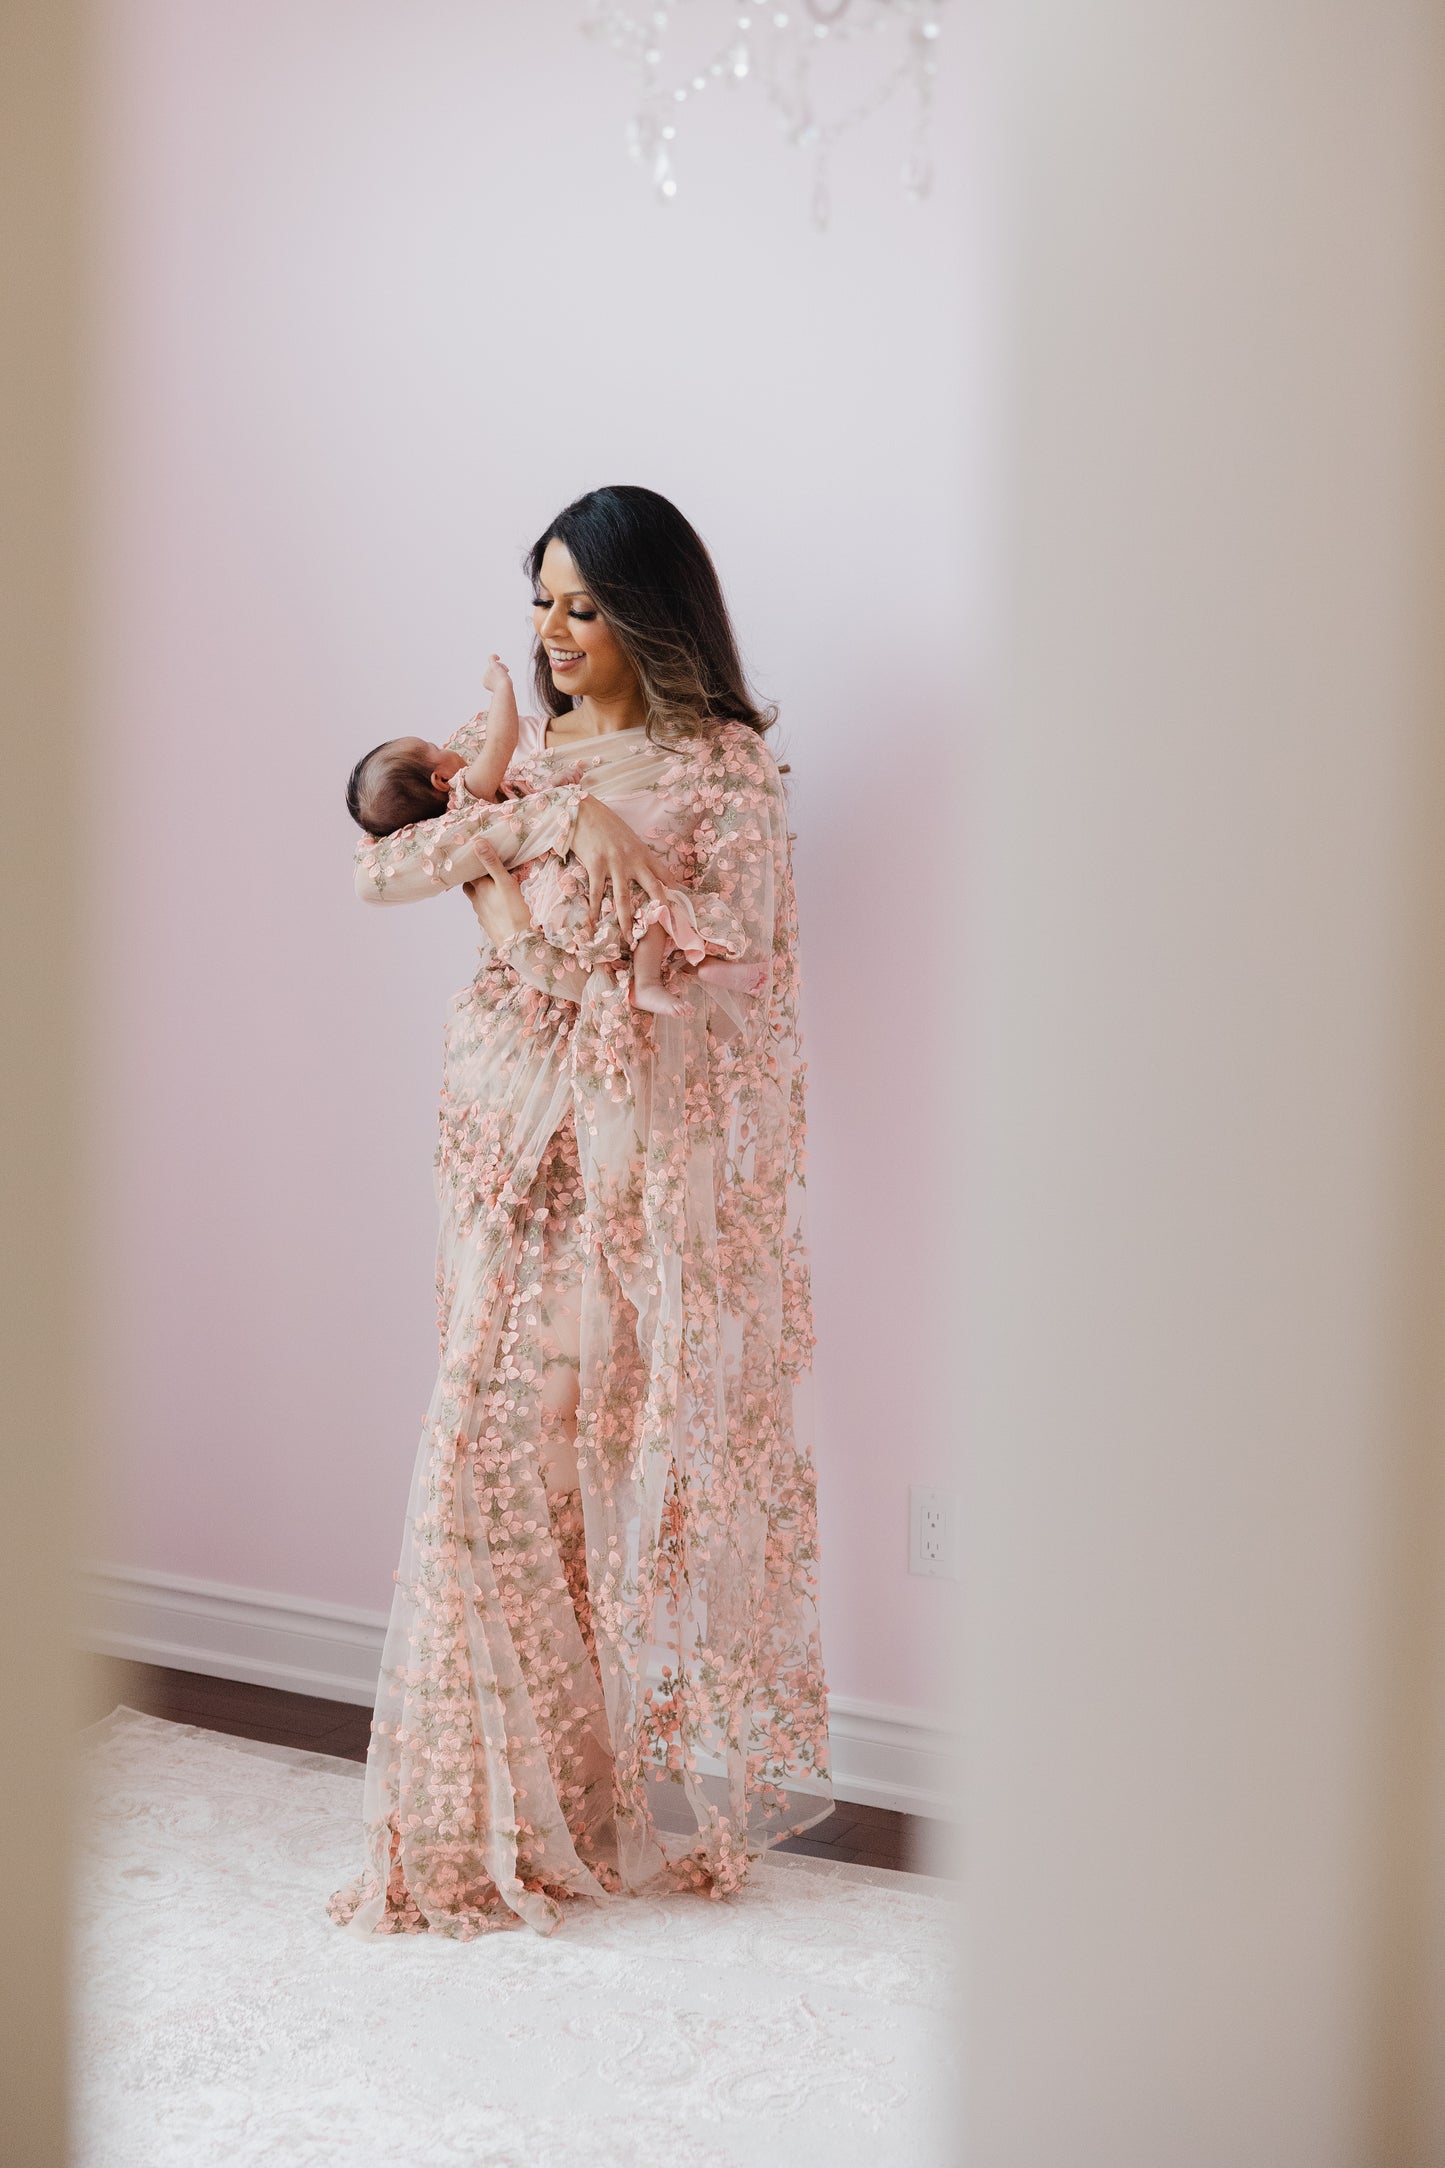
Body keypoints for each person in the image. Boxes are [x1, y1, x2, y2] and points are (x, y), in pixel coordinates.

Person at [327, 484, 830, 1940]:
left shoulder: (727, 774)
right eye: (541, 600)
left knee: (561, 1469)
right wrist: (552, 816)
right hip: (499, 1140)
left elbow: (703, 970)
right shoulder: (538, 759)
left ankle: (548, 1803)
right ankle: (459, 1818)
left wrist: (529, 861)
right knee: (482, 1443)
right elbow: (388, 867)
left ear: (650, 615)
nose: (551, 632)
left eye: (583, 606)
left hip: (623, 1166)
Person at [345, 656, 762, 1017]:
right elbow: (501, 740)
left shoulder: (726, 758)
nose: (550, 626)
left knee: (647, 900)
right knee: (647, 901)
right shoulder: (467, 788)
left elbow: (528, 789)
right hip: (562, 888)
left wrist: (561, 788)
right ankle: (672, 972)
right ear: (440, 779)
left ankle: (687, 970)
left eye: (578, 609)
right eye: (436, 746)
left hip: (555, 901)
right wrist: (500, 687)